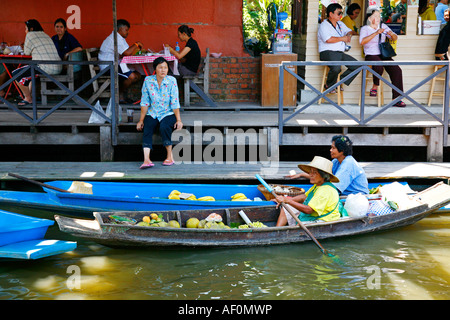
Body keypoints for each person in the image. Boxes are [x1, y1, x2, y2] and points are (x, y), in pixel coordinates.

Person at [137, 57, 183, 169]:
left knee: (164, 127)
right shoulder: (148, 81)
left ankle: (169, 156)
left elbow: (175, 101)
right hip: (153, 112)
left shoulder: (171, 81)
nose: (163, 70)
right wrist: (141, 120)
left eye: (165, 68)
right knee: (147, 127)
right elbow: (144, 102)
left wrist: (178, 120)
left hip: (167, 113)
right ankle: (146, 159)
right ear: (155, 69)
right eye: (160, 67)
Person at [287, 135, 369, 195]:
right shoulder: (336, 161)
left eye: (333, 148)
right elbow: (322, 176)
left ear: (342, 151)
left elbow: (334, 189)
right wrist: (302, 175)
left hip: (356, 197)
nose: (330, 150)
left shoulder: (348, 164)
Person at [274, 156, 341, 226]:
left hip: (325, 220)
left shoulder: (325, 190)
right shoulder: (318, 185)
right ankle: (277, 231)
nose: (310, 175)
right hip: (314, 215)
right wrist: (285, 200)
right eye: (310, 172)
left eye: (314, 173)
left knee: (300, 225)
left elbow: (309, 210)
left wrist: (288, 201)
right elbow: (304, 197)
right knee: (287, 207)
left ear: (323, 175)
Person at [360, 10, 406, 107]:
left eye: (379, 16)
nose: (378, 18)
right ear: (369, 18)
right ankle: (375, 86)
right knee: (378, 65)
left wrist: (392, 34)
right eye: (375, 16)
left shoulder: (383, 26)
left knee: (397, 70)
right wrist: (376, 33)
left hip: (383, 54)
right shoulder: (365, 28)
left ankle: (397, 99)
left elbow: (394, 37)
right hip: (371, 54)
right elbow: (362, 42)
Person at [11, 19, 62, 106]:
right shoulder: (45, 35)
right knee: (30, 74)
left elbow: (26, 53)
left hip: (45, 68)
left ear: (31, 29)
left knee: (16, 74)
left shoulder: (30, 35)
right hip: (58, 67)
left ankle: (27, 98)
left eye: (26, 28)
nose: (25, 31)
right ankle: (29, 95)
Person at [98, 19, 142, 103]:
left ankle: (119, 95)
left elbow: (126, 52)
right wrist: (136, 44)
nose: (128, 32)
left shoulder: (120, 38)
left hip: (116, 65)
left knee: (138, 75)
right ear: (119, 29)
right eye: (126, 30)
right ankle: (118, 95)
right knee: (132, 77)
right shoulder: (115, 38)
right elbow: (127, 53)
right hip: (108, 67)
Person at [318, 3, 359, 92]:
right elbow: (328, 39)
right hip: (327, 52)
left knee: (357, 66)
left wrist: (348, 35)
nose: (341, 15)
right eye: (339, 13)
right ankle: (329, 85)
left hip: (339, 53)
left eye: (341, 13)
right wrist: (343, 38)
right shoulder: (324, 25)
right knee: (336, 67)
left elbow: (350, 31)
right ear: (331, 14)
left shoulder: (340, 24)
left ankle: (338, 82)